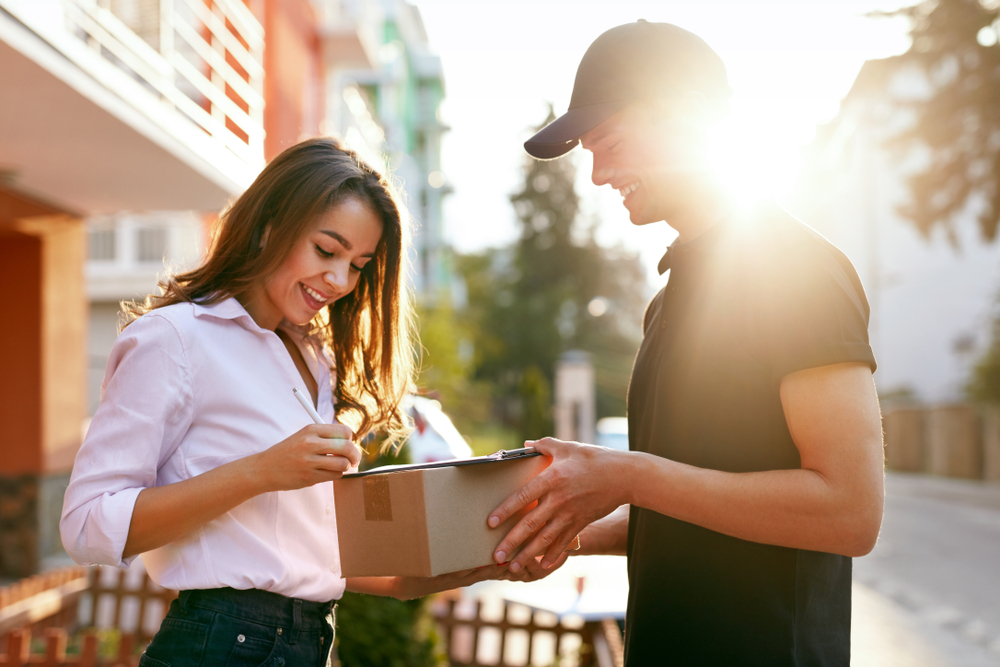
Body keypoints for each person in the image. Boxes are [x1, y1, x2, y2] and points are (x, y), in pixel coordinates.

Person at [487, 21, 885, 666]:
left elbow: (850, 513)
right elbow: (687, 507)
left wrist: (629, 475)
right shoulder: (669, 300)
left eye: (609, 142)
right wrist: (566, 531)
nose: (596, 175)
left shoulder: (797, 268)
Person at [60, 138, 511, 666]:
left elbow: (305, 562)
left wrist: (487, 559)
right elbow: (86, 524)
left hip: (307, 641)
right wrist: (261, 471)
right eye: (326, 250)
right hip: (221, 646)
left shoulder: (314, 359)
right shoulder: (174, 339)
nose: (340, 281)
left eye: (359, 264)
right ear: (269, 223)